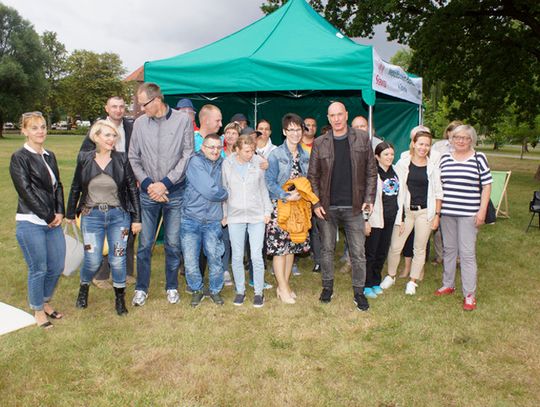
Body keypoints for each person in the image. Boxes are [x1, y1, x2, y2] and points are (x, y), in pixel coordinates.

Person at [128, 82, 194, 306]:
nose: (140, 108)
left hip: (174, 192)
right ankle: (141, 288)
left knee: (173, 244)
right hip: (148, 193)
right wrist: (149, 184)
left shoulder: (183, 120)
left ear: (156, 100)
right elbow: (133, 157)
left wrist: (165, 183)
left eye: (143, 104)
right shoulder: (139, 124)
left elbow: (187, 155)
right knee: (145, 244)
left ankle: (172, 286)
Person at [308, 102, 377, 311]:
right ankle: (327, 287)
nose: (336, 119)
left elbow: (371, 172)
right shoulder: (320, 143)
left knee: (358, 252)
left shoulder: (362, 138)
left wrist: (369, 198)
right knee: (327, 250)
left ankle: (359, 292)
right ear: (328, 118)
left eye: (340, 114)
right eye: (332, 115)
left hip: (354, 206)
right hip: (327, 208)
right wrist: (316, 203)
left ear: (346, 115)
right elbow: (313, 176)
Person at [66, 120, 141, 315]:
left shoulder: (122, 159)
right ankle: (84, 287)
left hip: (119, 216)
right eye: (107, 135)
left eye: (114, 135)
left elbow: (132, 189)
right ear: (96, 137)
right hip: (92, 216)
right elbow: (75, 186)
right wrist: (69, 214)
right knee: (93, 259)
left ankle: (119, 298)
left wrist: (136, 218)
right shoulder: (84, 158)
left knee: (118, 259)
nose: (111, 139)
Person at [10, 111, 66, 329]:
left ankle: (45, 301)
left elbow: (58, 186)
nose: (40, 131)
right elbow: (25, 191)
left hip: (52, 222)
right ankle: (37, 309)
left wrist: (59, 212)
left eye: (42, 127)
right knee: (39, 268)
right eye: (34, 128)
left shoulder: (49, 155)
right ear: (24, 131)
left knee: (57, 265)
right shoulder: (19, 157)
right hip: (30, 221)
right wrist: (49, 216)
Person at [79, 96, 136, 289]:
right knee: (101, 236)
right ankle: (101, 275)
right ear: (107, 108)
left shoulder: (131, 127)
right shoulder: (97, 129)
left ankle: (126, 272)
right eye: (114, 106)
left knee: (124, 232)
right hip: (101, 190)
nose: (118, 110)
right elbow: (84, 157)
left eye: (121, 107)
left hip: (124, 187)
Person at [436, 125, 492, 311]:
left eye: (465, 138)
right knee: (449, 250)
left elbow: (486, 186)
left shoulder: (479, 158)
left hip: (469, 214)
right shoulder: (444, 158)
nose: (460, 140)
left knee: (467, 254)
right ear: (451, 139)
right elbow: (438, 184)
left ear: (471, 140)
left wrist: (482, 211)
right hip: (447, 213)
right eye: (457, 137)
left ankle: (469, 294)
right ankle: (448, 284)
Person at [381, 130, 443, 295]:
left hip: (425, 213)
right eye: (421, 143)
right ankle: (391, 275)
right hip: (406, 212)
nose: (423, 147)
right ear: (414, 144)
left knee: (420, 248)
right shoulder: (402, 164)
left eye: (427, 145)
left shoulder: (432, 167)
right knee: (395, 246)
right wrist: (399, 216)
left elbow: (438, 193)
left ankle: (413, 281)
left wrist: (437, 215)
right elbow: (397, 191)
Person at [265, 113, 311, 304]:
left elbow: (309, 179)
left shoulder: (306, 154)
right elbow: (268, 182)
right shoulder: (276, 154)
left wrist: (304, 193)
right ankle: (283, 288)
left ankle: (284, 285)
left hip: (298, 208)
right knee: (279, 249)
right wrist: (286, 195)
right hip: (280, 206)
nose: (295, 133)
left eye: (298, 129)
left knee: (291, 246)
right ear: (284, 132)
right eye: (290, 130)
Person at [222, 135, 272, 307]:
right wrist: (225, 214)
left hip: (256, 215)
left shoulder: (258, 162)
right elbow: (224, 189)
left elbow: (263, 188)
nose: (250, 153)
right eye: (247, 151)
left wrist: (267, 211)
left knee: (256, 255)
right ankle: (240, 291)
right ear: (237, 149)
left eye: (252, 150)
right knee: (236, 256)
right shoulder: (227, 164)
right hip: (235, 215)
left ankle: (259, 292)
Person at [181, 133, 228, 307]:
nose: (215, 151)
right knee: (191, 260)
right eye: (211, 147)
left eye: (218, 147)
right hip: (191, 218)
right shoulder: (195, 162)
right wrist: (225, 194)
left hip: (213, 220)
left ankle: (215, 290)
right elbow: (210, 190)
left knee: (215, 258)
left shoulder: (224, 164)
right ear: (203, 147)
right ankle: (197, 289)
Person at [363, 142, 401, 298]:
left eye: (392, 154)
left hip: (390, 218)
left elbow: (401, 195)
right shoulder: (372, 174)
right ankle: (366, 284)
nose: (390, 157)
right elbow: (365, 199)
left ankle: (375, 282)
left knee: (382, 252)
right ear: (377, 156)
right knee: (370, 253)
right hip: (375, 219)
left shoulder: (396, 172)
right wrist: (365, 220)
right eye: (386, 154)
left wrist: (401, 218)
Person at [430, 120, 463, 265]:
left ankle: (458, 258)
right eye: (452, 131)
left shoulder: (464, 147)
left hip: (457, 192)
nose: (454, 135)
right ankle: (439, 256)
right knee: (438, 228)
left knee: (457, 228)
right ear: (447, 132)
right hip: (439, 190)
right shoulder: (437, 146)